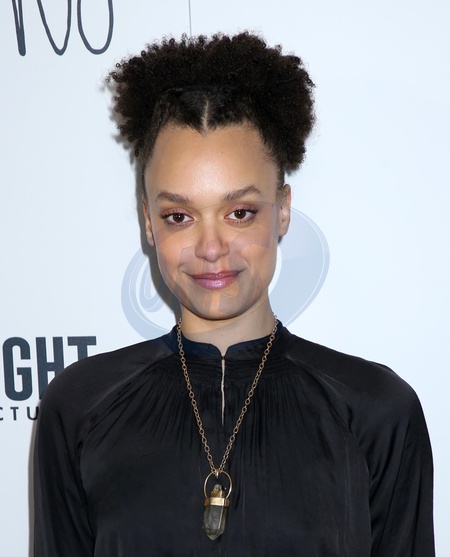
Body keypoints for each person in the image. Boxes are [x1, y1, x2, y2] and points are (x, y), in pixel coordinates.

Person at [33, 33, 434, 556]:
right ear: (148, 222)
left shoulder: (375, 412)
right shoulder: (79, 408)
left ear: (282, 209)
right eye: (179, 216)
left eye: (240, 212)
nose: (211, 247)